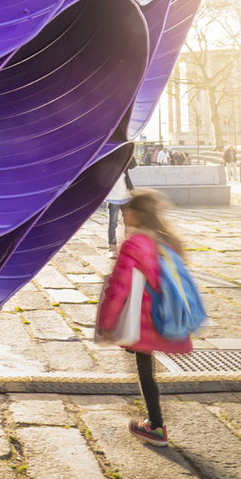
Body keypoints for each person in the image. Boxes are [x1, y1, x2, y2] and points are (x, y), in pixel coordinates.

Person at [96, 189, 193, 448]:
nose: (125, 214)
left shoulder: (134, 244)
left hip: (144, 318)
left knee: (144, 369)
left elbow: (119, 287)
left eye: (128, 210)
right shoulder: (168, 241)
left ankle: (156, 426)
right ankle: (155, 422)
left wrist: (106, 322)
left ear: (137, 214)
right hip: (165, 315)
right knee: (145, 368)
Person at [105, 171, 131, 254]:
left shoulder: (124, 167)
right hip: (113, 199)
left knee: (128, 223)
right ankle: (112, 247)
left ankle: (129, 246)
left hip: (126, 198)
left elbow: (133, 165)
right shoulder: (109, 169)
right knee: (113, 224)